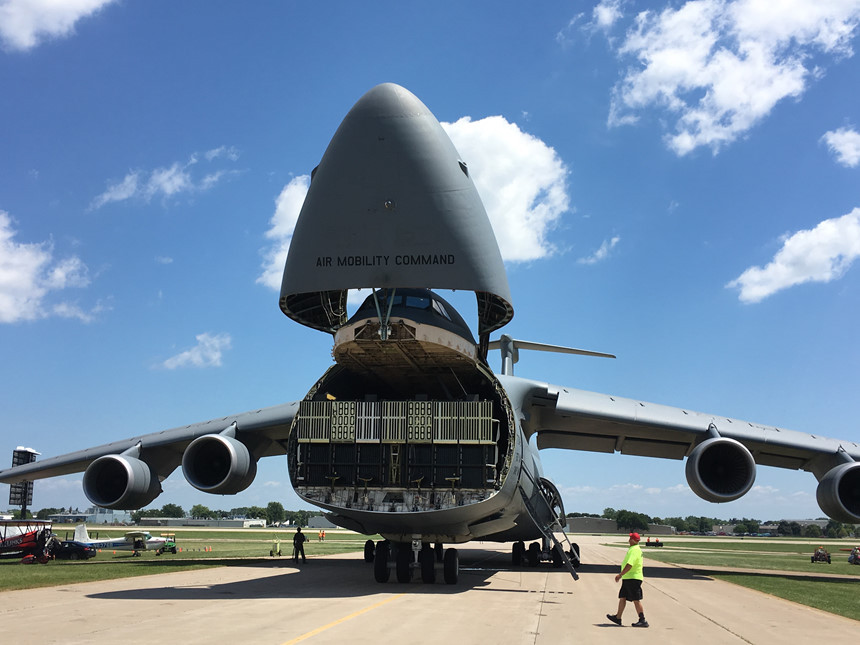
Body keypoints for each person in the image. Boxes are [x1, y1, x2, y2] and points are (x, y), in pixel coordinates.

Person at [606, 532, 648, 628]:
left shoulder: (634, 550)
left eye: (630, 538)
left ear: (633, 540)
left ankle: (642, 620)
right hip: (628, 578)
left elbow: (630, 564)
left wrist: (620, 575)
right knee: (623, 597)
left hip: (633, 578)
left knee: (636, 599)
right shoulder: (634, 549)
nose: (628, 540)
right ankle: (618, 617)